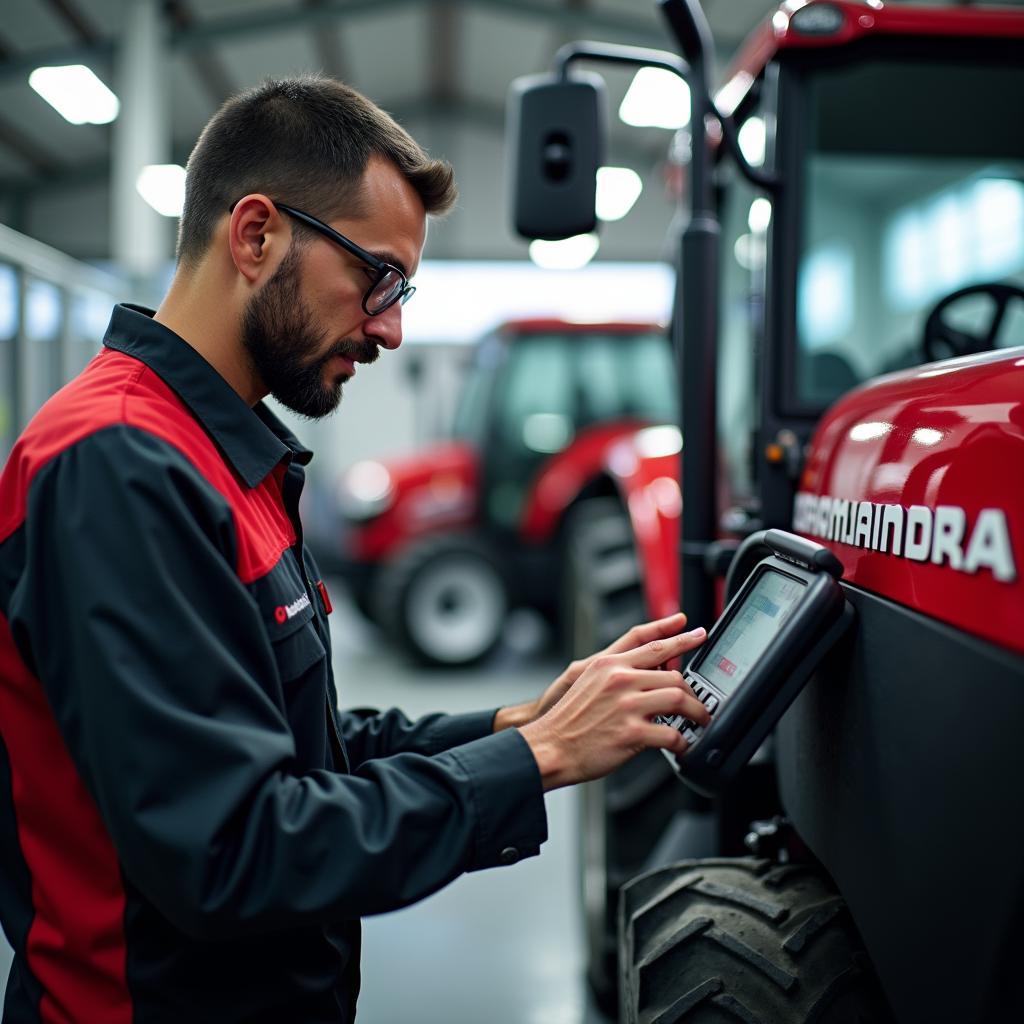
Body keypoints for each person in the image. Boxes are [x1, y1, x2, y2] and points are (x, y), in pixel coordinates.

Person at [0, 76, 709, 1023]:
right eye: (377, 277)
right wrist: (532, 760)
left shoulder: (224, 456)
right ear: (255, 236)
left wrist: (521, 723)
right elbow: (233, 849)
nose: (392, 326)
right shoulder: (119, 465)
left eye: (403, 289)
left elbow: (303, 755)